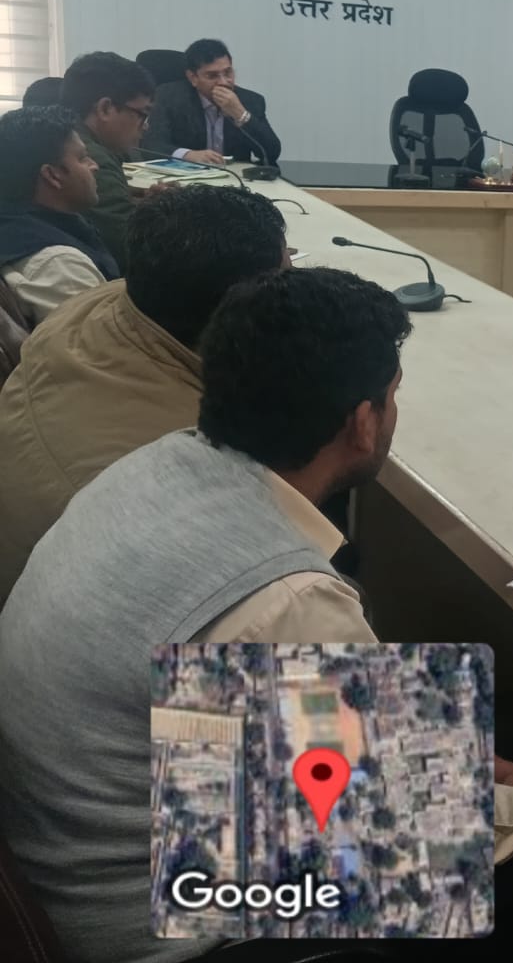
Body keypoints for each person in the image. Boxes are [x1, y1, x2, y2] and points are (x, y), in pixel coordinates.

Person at [0, 267, 406, 961]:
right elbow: (381, 841)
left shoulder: (151, 466)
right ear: (363, 424)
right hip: (159, 933)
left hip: (59, 858)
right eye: (394, 396)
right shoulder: (288, 598)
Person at [0, 186, 289, 602]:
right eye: (285, 283)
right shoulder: (195, 463)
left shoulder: (87, 310)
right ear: (243, 311)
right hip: (117, 624)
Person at [0, 104, 118, 326]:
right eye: (82, 158)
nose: (94, 166)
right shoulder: (62, 267)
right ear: (52, 175)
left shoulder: (14, 221)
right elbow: (101, 345)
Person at [60, 51, 157, 271]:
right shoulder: (91, 159)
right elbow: (133, 247)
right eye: (143, 114)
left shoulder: (64, 135)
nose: (146, 126)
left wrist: (145, 206)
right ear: (105, 109)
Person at [144, 37, 282, 165]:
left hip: (235, 178)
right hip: (188, 177)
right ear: (193, 78)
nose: (223, 82)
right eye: (212, 76)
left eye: (228, 73)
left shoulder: (251, 101)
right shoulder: (168, 97)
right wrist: (187, 155)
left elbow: (271, 153)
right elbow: (152, 145)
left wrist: (241, 114)